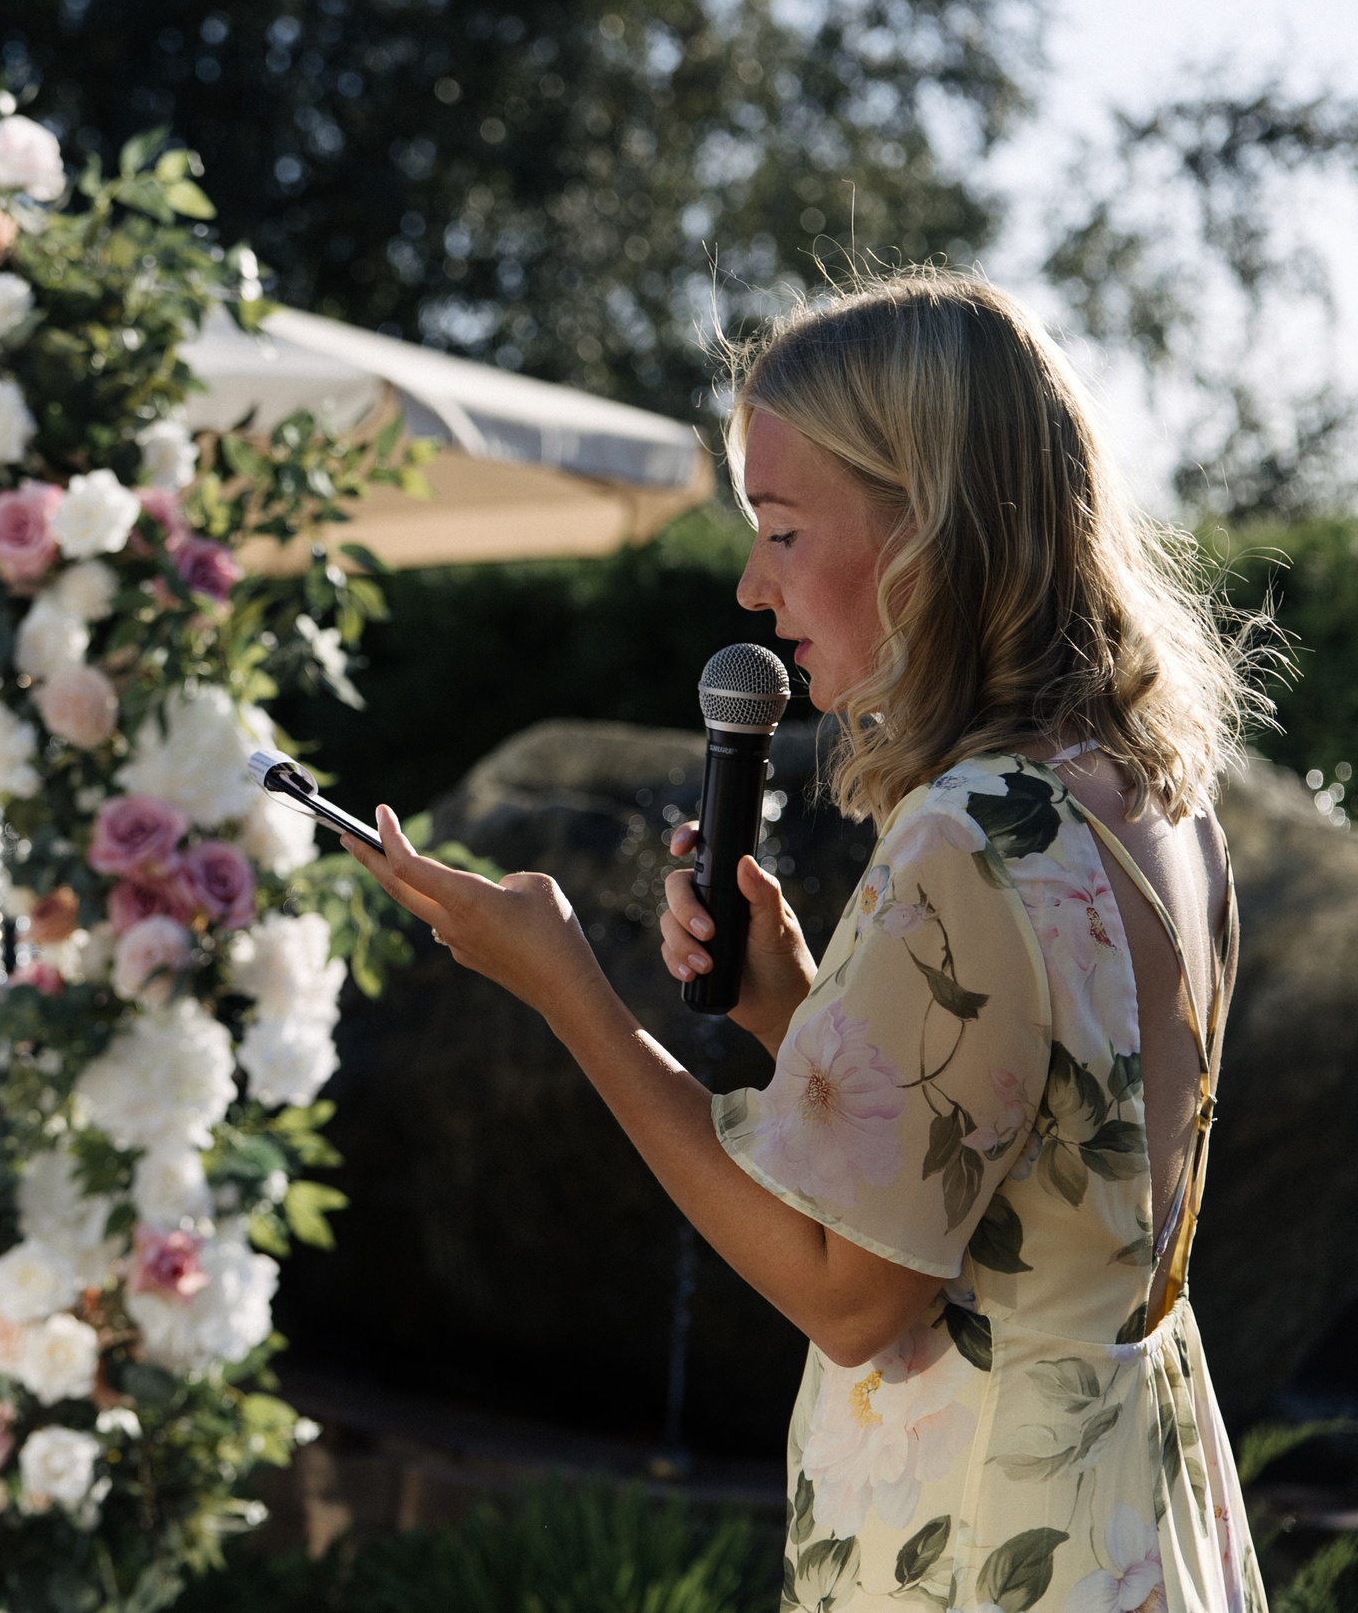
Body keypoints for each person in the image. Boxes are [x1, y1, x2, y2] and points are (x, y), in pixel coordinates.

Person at [344, 271, 1267, 1611]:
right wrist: (797, 1010)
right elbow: (1044, 1174)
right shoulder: (1153, 803)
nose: (750, 583)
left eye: (781, 527)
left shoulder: (968, 835)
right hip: (1133, 1506)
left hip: (984, 1535)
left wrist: (569, 993)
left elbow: (851, 1296)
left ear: (929, 526)